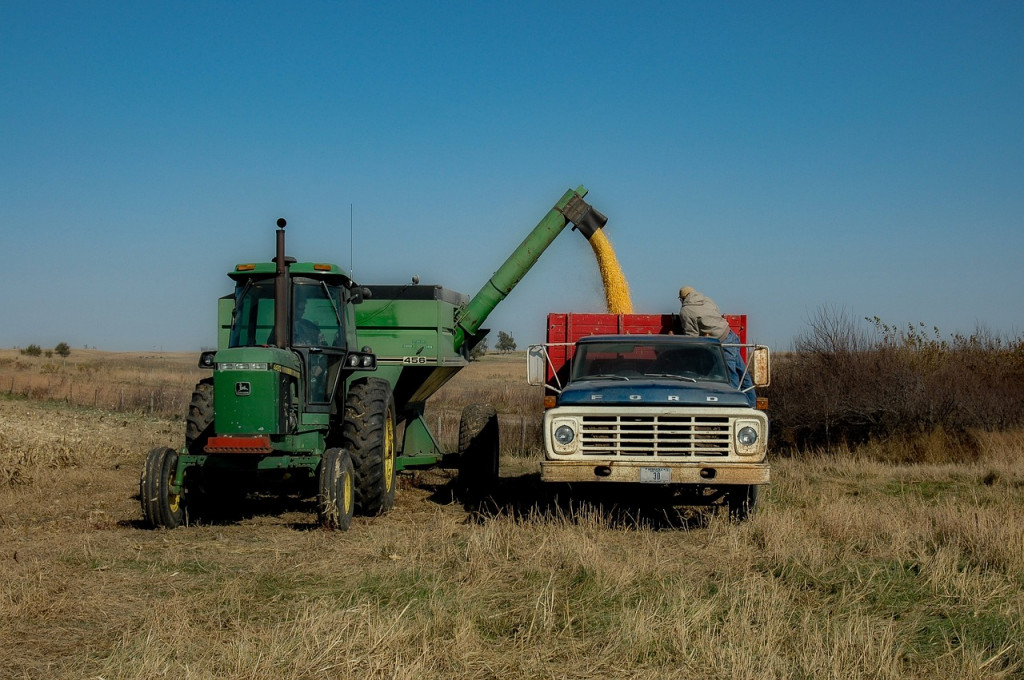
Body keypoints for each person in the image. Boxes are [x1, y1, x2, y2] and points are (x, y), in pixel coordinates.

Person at [678, 286, 755, 403]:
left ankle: (733, 404)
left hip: (721, 342)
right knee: (742, 373)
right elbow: (716, 311)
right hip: (730, 335)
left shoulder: (686, 311)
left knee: (730, 375)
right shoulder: (707, 299)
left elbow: (692, 335)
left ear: (682, 299)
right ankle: (751, 404)